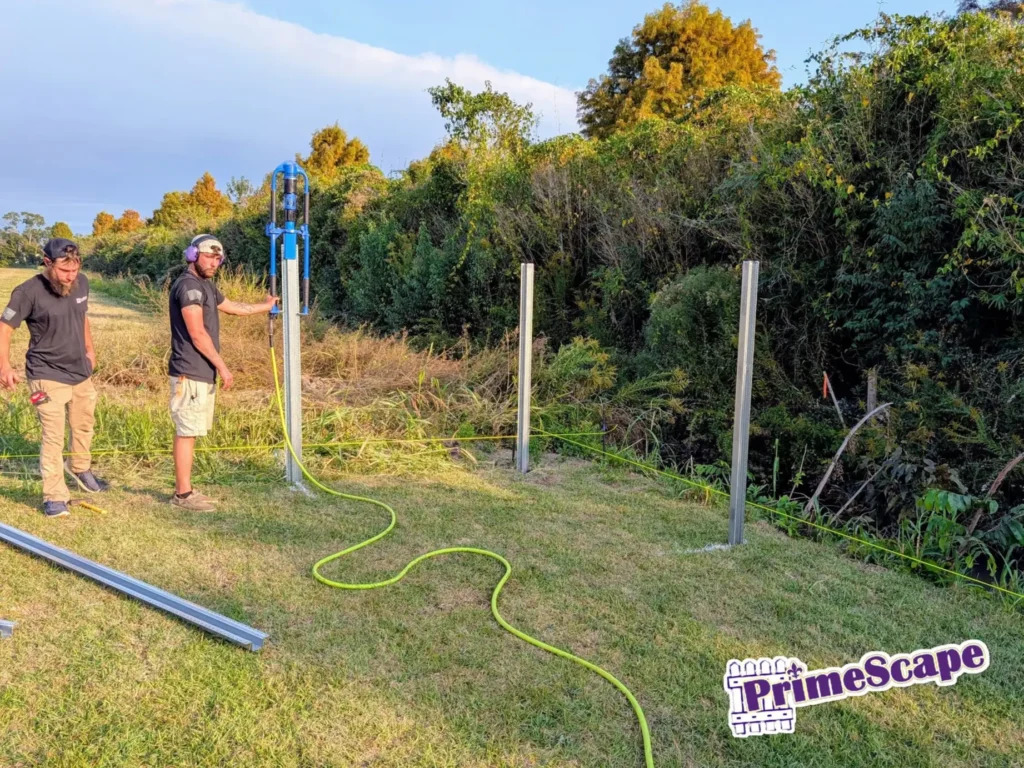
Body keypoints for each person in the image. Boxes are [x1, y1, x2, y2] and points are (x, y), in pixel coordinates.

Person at [0, 238, 109, 518]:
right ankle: (55, 496)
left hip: (80, 371)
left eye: (75, 269)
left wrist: (90, 351)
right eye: (64, 270)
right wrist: (4, 367)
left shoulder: (82, 283)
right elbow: (5, 328)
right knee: (53, 435)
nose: (70, 276)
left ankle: (80, 468)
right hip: (45, 373)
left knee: (84, 424)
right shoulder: (27, 292)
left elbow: (82, 316)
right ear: (48, 263)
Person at [169, 234, 277, 511]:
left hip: (200, 372)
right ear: (193, 255)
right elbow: (197, 334)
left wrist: (265, 306)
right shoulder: (188, 286)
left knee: (191, 430)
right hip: (189, 371)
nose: (214, 263)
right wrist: (223, 367)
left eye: (218, 259)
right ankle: (182, 495)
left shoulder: (206, 285)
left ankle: (186, 489)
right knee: (186, 432)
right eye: (209, 256)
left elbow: (233, 308)